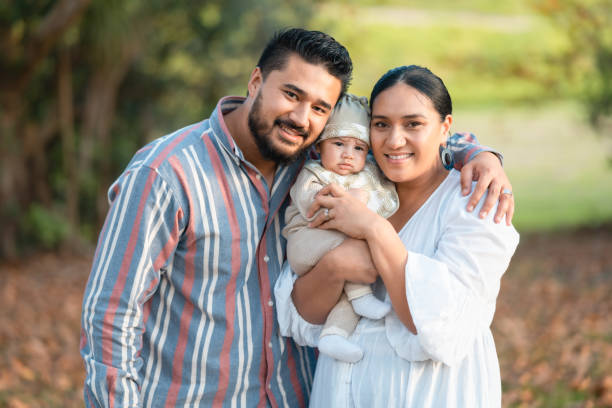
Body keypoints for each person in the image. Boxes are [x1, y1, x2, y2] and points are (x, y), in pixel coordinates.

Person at [80, 26, 514, 407]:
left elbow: (404, 142)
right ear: (255, 81)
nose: (301, 117)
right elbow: (112, 315)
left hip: (295, 396)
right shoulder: (166, 173)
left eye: (320, 107)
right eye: (291, 94)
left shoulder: (311, 157)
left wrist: (477, 154)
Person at [276, 65, 519, 407]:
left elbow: (437, 324)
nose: (394, 140)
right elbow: (302, 316)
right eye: (381, 124)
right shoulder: (348, 186)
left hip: (432, 395)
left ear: (445, 126)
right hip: (336, 394)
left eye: (413, 124)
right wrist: (335, 265)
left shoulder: (477, 203)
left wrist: (374, 229)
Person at [282, 93, 398, 363]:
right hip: (307, 242)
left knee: (349, 293)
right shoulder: (313, 174)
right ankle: (360, 295)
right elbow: (311, 203)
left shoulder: (367, 176)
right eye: (339, 144)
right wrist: (349, 205)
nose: (348, 154)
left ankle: (333, 335)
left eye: (359, 148)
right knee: (358, 258)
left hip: (342, 254)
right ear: (320, 146)